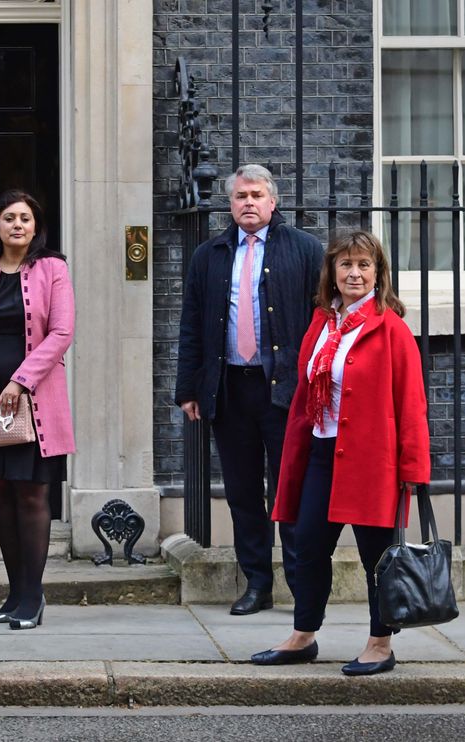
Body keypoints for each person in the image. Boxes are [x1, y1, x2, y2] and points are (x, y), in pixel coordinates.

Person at [251, 231, 430, 675]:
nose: (354, 273)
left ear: (378, 274)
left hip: (372, 461)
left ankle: (380, 643)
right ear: (332, 272)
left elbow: (412, 404)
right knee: (307, 546)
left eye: (364, 265)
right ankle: (303, 635)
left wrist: (413, 468)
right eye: (346, 264)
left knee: (377, 558)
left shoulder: (391, 328)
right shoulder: (322, 323)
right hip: (322, 452)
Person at [175, 164, 324, 615]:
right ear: (231, 203)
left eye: (257, 195)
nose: (249, 203)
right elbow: (192, 325)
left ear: (272, 201)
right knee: (241, 492)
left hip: (285, 391)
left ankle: (302, 586)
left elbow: (324, 319)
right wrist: (188, 389)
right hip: (229, 390)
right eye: (241, 196)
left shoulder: (304, 249)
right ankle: (257, 583)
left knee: (290, 489)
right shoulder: (211, 254)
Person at [0, 189, 75, 631]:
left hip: (36, 403)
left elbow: (61, 332)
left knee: (31, 494)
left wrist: (20, 382)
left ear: (36, 227)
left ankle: (33, 595)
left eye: (25, 218)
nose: (18, 225)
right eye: (9, 218)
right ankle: (15, 592)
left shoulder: (53, 269)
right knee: (0, 496)